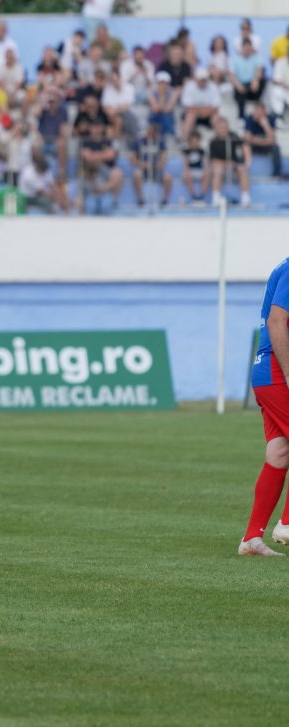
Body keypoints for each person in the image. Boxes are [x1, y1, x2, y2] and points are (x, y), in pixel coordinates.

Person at [240, 257, 289, 556]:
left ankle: (251, 539)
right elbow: (276, 320)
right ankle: (287, 522)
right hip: (276, 370)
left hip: (267, 371)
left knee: (280, 451)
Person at [208, 116, 251, 208]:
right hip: (221, 167)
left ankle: (245, 198)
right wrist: (226, 163)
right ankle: (216, 198)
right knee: (218, 171)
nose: (223, 130)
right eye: (221, 128)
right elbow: (213, 161)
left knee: (242, 170)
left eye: (225, 127)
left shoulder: (234, 137)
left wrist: (246, 162)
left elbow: (245, 147)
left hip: (235, 166)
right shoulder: (214, 142)